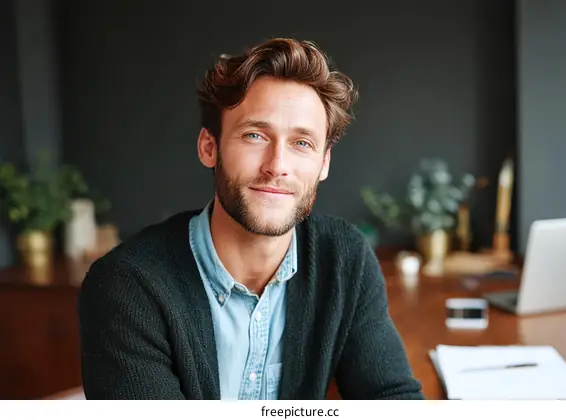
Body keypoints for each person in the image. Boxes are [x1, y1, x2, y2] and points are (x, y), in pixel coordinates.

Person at [77, 37, 423, 400]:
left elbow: (392, 397)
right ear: (209, 147)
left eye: (301, 143)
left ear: (324, 163)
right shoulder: (126, 286)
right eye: (255, 135)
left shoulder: (344, 258)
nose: (277, 166)